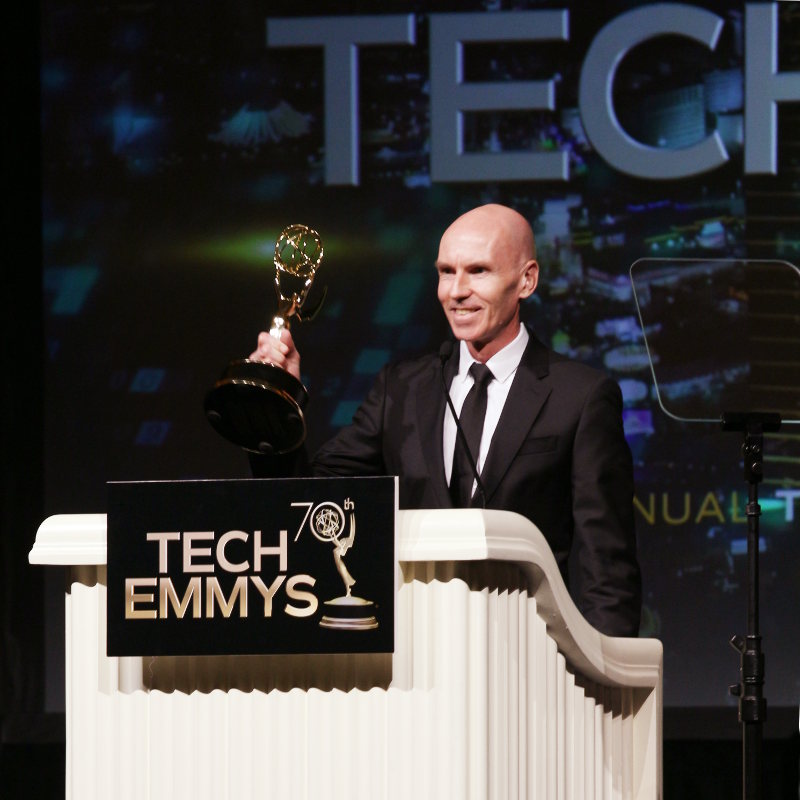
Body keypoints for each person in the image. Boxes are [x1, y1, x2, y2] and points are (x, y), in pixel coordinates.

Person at [249, 203, 642, 637]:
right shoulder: (401, 389)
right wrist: (277, 412)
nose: (456, 291)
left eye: (478, 271)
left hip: (536, 663)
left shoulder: (580, 397)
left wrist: (604, 682)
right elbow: (313, 499)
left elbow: (606, 567)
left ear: (526, 280)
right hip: (421, 658)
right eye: (445, 271)